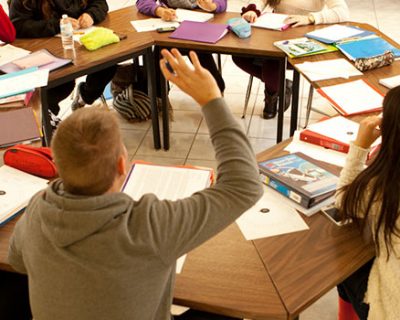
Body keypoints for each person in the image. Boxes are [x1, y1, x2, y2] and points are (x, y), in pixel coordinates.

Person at [8, 48, 263, 320]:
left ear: (58, 167)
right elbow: (244, 185)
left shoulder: (37, 212)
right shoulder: (149, 226)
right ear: (121, 164)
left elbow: (17, 260)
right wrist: (211, 99)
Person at [335, 85, 400, 319]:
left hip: (390, 310)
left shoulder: (384, 188)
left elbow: (343, 201)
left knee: (343, 262)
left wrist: (360, 147)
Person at [9, 0, 117, 129]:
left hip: (79, 42)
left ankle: (85, 96)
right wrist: (56, 25)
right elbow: (18, 25)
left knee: (108, 63)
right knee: (61, 86)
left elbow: (100, 3)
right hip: (45, 52)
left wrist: (91, 15)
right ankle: (46, 127)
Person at [232, 0, 349, 119]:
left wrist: (310, 18)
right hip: (274, 35)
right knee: (239, 56)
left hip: (303, 43)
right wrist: (253, 10)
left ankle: (272, 97)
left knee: (272, 64)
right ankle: (281, 85)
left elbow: (342, 12)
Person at [136, 0, 226, 93]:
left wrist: (213, 6)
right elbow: (142, 1)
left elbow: (222, 3)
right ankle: (159, 97)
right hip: (173, 27)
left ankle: (216, 91)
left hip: (201, 28)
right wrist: (159, 10)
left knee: (198, 50)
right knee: (161, 51)